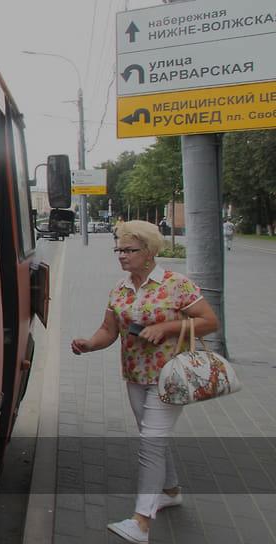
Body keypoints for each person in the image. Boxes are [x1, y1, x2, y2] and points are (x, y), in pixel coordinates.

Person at [70, 220, 218, 544]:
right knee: (153, 437)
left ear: (149, 252)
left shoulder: (176, 284)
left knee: (151, 443)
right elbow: (108, 330)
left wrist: (166, 328)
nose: (122, 255)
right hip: (135, 374)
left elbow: (209, 321)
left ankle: (141, 522)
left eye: (129, 250)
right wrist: (89, 344)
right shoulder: (120, 289)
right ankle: (171, 491)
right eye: (118, 250)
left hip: (171, 376)